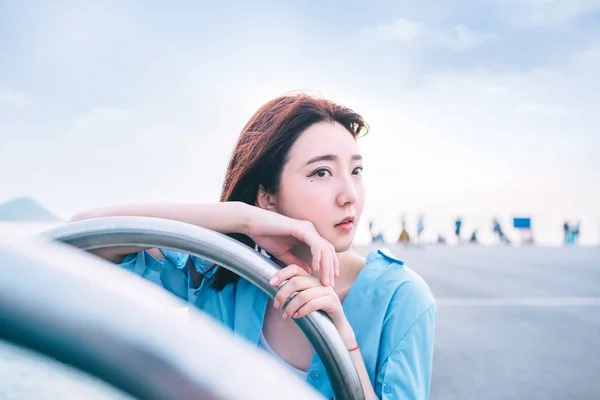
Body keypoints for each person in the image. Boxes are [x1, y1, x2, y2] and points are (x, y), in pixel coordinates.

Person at [70, 92, 436, 399]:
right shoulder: (220, 274)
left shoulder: (400, 297)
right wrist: (241, 218)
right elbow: (81, 237)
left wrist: (343, 341)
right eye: (321, 172)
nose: (349, 195)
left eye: (355, 171)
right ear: (267, 197)